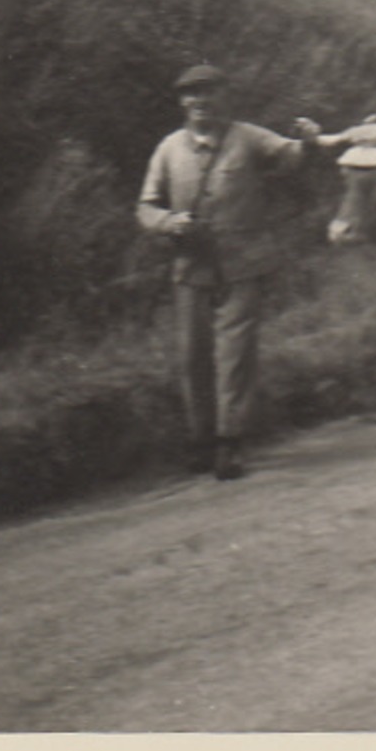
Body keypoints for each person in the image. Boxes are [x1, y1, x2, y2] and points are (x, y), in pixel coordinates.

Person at [137, 64, 321, 480]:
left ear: (224, 96)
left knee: (235, 356)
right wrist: (169, 223)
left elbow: (291, 154)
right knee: (192, 357)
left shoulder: (248, 137)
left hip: (243, 265)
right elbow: (145, 206)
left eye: (208, 93)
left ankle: (230, 443)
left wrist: (308, 140)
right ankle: (200, 441)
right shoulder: (168, 150)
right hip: (191, 268)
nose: (200, 102)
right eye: (191, 95)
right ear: (182, 103)